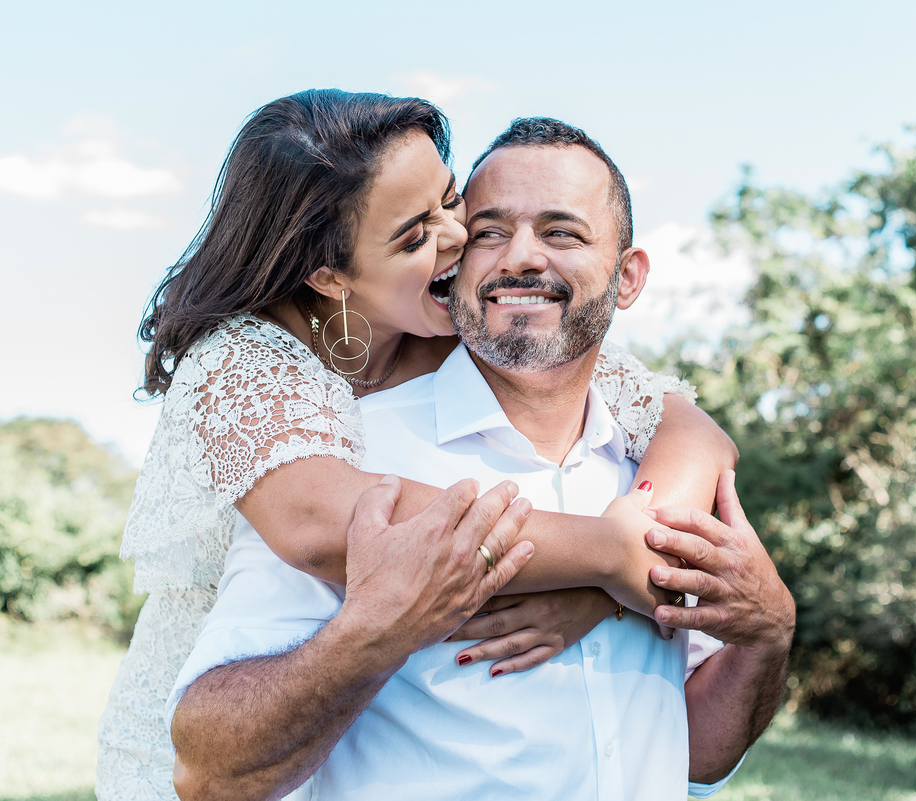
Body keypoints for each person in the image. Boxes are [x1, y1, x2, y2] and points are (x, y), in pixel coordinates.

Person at [96, 92, 739, 801]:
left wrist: (605, 596)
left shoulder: (455, 328)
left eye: (450, 201)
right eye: (413, 234)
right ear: (330, 274)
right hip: (213, 734)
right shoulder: (245, 361)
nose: (459, 239)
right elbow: (325, 523)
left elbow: (693, 432)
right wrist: (611, 557)